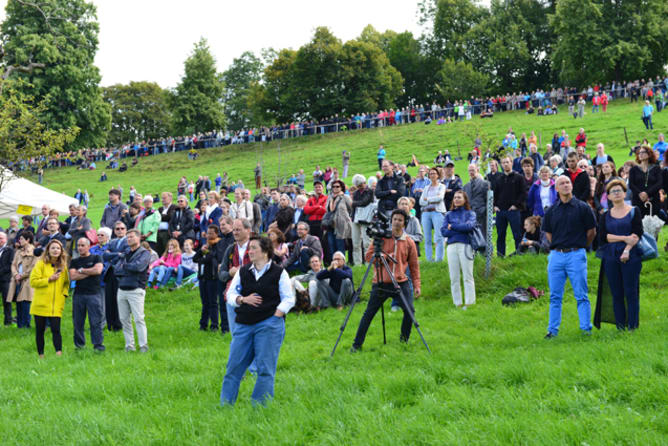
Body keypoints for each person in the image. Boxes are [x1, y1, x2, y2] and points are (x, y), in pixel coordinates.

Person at [221, 236, 295, 406]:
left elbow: (288, 299)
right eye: (249, 248)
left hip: (269, 324)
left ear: (265, 251)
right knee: (233, 367)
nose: (250, 251)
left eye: (254, 248)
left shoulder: (279, 272)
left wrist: (277, 314)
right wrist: (242, 299)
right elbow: (230, 295)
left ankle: (260, 406)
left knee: (265, 368)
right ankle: (225, 405)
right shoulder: (243, 271)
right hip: (244, 324)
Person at [351, 209, 421, 352]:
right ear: (391, 221)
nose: (396, 222)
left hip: (401, 282)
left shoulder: (409, 242)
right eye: (394, 219)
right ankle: (356, 345)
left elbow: (414, 266)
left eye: (400, 220)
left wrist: (417, 284)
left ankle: (404, 340)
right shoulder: (382, 238)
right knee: (369, 313)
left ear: (404, 223)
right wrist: (383, 257)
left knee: (410, 311)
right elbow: (368, 257)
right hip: (381, 281)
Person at [542, 176, 597, 339]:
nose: (566, 185)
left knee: (581, 294)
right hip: (556, 256)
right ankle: (552, 331)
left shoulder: (583, 207)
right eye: (562, 183)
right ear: (556, 188)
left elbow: (591, 231)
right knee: (555, 296)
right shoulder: (551, 210)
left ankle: (586, 329)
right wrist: (560, 248)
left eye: (568, 183)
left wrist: (580, 247)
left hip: (576, 255)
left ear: (571, 186)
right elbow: (549, 234)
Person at [596, 180, 643, 331]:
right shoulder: (605, 215)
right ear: (608, 197)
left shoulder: (634, 211)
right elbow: (603, 237)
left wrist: (627, 249)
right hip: (610, 256)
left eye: (619, 190)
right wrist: (623, 238)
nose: (616, 193)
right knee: (616, 292)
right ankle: (620, 326)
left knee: (631, 291)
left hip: (631, 255)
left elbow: (637, 234)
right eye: (613, 191)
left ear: (625, 193)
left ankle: (633, 326)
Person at [29, 239, 69, 357]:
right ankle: (41, 354)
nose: (55, 250)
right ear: (48, 250)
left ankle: (58, 353)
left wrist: (64, 295)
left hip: (56, 304)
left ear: (61, 251)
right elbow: (33, 281)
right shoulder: (40, 264)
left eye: (58, 248)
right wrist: (48, 279)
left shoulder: (63, 266)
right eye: (53, 248)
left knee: (56, 329)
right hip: (41, 303)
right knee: (40, 330)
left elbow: (66, 283)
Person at [114, 229, 152, 352]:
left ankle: (143, 345)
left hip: (136, 289)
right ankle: (129, 345)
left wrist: (125, 267)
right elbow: (116, 270)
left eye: (131, 237)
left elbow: (139, 267)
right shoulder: (126, 253)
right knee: (124, 320)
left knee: (139, 318)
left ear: (138, 238)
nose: (129, 239)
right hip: (122, 289)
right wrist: (128, 268)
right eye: (127, 237)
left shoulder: (144, 253)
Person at [441, 191, 477, 308]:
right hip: (451, 246)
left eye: (459, 197)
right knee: (454, 277)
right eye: (455, 197)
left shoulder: (470, 213)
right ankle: (458, 303)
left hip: (465, 245)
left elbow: (469, 226)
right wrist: (459, 228)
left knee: (468, 275)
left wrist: (453, 226)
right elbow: (444, 231)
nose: (456, 199)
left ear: (465, 199)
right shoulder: (448, 215)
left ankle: (469, 302)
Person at [68, 238, 105, 352]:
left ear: (88, 246)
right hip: (79, 294)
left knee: (95, 321)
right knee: (78, 322)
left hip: (94, 294)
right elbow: (73, 277)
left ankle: (98, 345)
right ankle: (79, 345)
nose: (80, 248)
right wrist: (90, 272)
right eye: (78, 245)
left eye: (82, 245)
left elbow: (98, 271)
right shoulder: (75, 261)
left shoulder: (96, 258)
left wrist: (82, 270)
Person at [219, 218, 252, 335]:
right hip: (232, 295)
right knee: (235, 334)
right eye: (234, 230)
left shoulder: (257, 247)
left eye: (238, 229)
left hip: (253, 295)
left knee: (251, 332)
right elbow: (221, 275)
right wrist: (230, 274)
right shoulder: (231, 249)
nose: (235, 233)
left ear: (248, 230)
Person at [194, 225, 226, 331]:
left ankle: (214, 325)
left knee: (213, 302)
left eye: (212, 233)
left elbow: (214, 257)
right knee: (204, 302)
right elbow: (195, 258)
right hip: (202, 277)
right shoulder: (205, 245)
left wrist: (205, 253)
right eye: (208, 233)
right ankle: (203, 324)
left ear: (217, 233)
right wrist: (201, 251)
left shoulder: (219, 244)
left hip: (212, 277)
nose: (209, 235)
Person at [494, 156, 526, 257]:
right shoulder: (498, 179)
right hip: (500, 211)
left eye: (507, 162)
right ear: (501, 165)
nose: (505, 164)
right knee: (500, 235)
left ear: (511, 163)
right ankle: (500, 256)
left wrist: (516, 205)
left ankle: (519, 254)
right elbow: (494, 194)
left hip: (513, 210)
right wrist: (495, 206)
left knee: (517, 234)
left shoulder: (519, 177)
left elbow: (523, 193)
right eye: (503, 163)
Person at [7, 232, 37, 328]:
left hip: (27, 281)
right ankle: (20, 325)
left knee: (25, 303)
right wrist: (16, 275)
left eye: (21, 239)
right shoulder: (18, 251)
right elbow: (13, 264)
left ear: (28, 240)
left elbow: (33, 267)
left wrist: (22, 276)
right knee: (18, 303)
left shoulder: (34, 252)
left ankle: (26, 325)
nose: (19, 241)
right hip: (16, 281)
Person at [419, 167, 446, 262]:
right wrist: (429, 200)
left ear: (438, 175)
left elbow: (440, 198)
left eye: (434, 173)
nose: (432, 175)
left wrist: (428, 199)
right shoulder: (426, 188)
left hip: (437, 212)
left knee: (439, 237)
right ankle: (429, 259)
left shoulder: (442, 186)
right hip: (426, 213)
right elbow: (421, 201)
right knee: (427, 238)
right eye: (430, 173)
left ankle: (439, 259)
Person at [628, 146, 662, 216]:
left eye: (643, 152)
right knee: (639, 223)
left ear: (649, 154)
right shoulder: (633, 170)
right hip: (637, 200)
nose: (640, 154)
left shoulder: (656, 168)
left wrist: (647, 193)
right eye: (639, 153)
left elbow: (659, 183)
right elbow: (631, 184)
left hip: (653, 200)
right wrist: (640, 194)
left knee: (654, 224)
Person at [350, 174, 374, 266]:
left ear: (364, 182)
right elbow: (358, 204)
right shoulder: (356, 193)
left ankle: (368, 262)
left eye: (361, 185)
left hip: (366, 218)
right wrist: (354, 204)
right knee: (355, 242)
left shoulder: (370, 191)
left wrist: (353, 203)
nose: (360, 187)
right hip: (355, 218)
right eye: (358, 186)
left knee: (367, 242)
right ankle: (358, 263)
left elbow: (365, 202)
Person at [325, 180, 352, 258]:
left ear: (341, 187)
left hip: (341, 225)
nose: (335, 188)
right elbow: (327, 210)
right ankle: (334, 264)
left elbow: (351, 209)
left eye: (337, 186)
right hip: (330, 224)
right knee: (331, 245)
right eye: (333, 186)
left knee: (340, 246)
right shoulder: (329, 197)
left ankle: (341, 264)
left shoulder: (345, 197)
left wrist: (345, 217)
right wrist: (332, 201)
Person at [463, 163, 490, 237]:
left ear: (477, 170)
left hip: (481, 215)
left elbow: (488, 199)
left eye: (473, 170)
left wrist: (485, 211)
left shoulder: (485, 184)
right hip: (469, 216)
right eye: (469, 171)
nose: (471, 172)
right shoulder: (465, 186)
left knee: (483, 237)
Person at [0, 232, 15, 325]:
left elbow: (10, 265)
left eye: (1, 238)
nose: (0, 240)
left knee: (6, 301)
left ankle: (8, 321)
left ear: (6, 239)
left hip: (5, 279)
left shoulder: (10, 250)